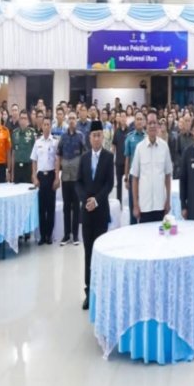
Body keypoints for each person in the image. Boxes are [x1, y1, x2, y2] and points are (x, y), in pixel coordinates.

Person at [78, 123, 115, 309]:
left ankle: (101, 291)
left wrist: (96, 201)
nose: (97, 138)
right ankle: (89, 292)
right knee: (88, 252)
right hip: (86, 212)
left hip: (101, 212)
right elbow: (78, 183)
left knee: (100, 252)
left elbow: (109, 184)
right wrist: (86, 200)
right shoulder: (84, 158)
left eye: (99, 135)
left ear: (103, 137)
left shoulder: (108, 157)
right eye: (94, 135)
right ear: (89, 138)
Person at [130, 112, 172, 223]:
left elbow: (168, 176)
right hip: (144, 206)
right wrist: (135, 205)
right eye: (150, 123)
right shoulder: (139, 148)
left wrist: (168, 201)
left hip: (160, 205)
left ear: (158, 125)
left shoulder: (164, 147)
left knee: (161, 233)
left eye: (154, 123)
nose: (152, 126)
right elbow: (135, 178)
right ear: (146, 125)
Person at [57, 114, 85, 245]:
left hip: (76, 177)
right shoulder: (63, 137)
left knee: (76, 206)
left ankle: (75, 235)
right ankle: (66, 235)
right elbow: (59, 154)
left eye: (74, 118)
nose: (72, 121)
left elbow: (85, 155)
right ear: (68, 121)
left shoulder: (80, 136)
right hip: (65, 177)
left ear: (76, 121)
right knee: (66, 206)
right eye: (71, 119)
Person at [31, 119, 59, 245]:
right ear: (42, 126)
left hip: (51, 175)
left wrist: (57, 177)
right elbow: (34, 160)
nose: (46, 127)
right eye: (45, 125)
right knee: (41, 208)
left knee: (50, 207)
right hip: (41, 176)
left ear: (51, 127)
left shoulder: (55, 142)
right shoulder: (37, 142)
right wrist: (34, 176)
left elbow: (57, 160)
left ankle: (49, 235)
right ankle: (42, 236)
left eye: (48, 125)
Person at [11, 111, 38, 185]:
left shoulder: (32, 134)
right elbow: (13, 154)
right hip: (17, 167)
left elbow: (35, 155)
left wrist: (34, 173)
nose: (23, 120)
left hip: (28, 167)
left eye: (25, 118)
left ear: (28, 121)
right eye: (21, 118)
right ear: (19, 120)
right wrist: (12, 172)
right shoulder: (14, 133)